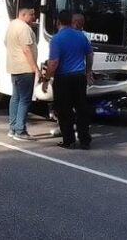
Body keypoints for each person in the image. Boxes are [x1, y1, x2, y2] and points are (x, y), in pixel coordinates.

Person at [42, 10, 93, 150]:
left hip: (63, 78)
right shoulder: (81, 36)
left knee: (64, 110)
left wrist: (46, 78)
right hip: (79, 77)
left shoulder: (56, 39)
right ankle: (85, 140)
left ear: (58, 22)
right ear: (71, 21)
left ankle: (69, 140)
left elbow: (53, 62)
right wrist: (88, 71)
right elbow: (89, 55)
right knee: (81, 108)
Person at [4, 7, 40, 141]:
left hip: (14, 67)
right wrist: (35, 68)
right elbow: (26, 49)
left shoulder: (12, 24)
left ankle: (12, 128)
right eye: (32, 14)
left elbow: (6, 43)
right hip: (25, 69)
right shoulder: (24, 28)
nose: (34, 17)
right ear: (23, 14)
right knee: (25, 99)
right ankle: (20, 130)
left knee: (16, 98)